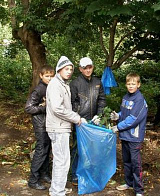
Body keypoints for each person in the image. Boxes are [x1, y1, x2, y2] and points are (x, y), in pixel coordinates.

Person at [46, 56, 86, 196]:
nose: (69, 72)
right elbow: (57, 108)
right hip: (58, 128)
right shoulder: (55, 85)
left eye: (71, 69)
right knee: (61, 161)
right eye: (66, 69)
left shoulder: (63, 84)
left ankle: (58, 188)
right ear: (59, 69)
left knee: (62, 160)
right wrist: (76, 118)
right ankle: (57, 192)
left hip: (61, 127)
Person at [70, 57, 106, 185]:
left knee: (93, 148)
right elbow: (72, 103)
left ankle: (90, 172)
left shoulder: (97, 82)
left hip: (94, 121)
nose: (88, 70)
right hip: (80, 122)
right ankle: (74, 174)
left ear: (93, 67)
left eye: (90, 67)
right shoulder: (75, 83)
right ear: (80, 69)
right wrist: (78, 117)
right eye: (85, 68)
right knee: (77, 148)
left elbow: (102, 99)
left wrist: (99, 115)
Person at [110, 73, 148, 196]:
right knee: (126, 161)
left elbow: (133, 119)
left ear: (138, 84)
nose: (131, 86)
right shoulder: (126, 97)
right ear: (126, 85)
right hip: (125, 135)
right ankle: (129, 183)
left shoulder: (139, 100)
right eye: (129, 84)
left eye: (133, 84)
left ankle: (139, 190)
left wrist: (117, 127)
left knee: (135, 163)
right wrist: (118, 116)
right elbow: (125, 113)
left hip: (134, 137)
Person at [25, 65, 55, 190]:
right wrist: (44, 107)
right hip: (40, 124)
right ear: (41, 76)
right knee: (41, 150)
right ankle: (33, 179)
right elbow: (28, 108)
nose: (49, 78)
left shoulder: (50, 87)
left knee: (47, 149)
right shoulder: (38, 90)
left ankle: (44, 174)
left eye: (51, 76)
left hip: (48, 123)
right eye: (47, 76)